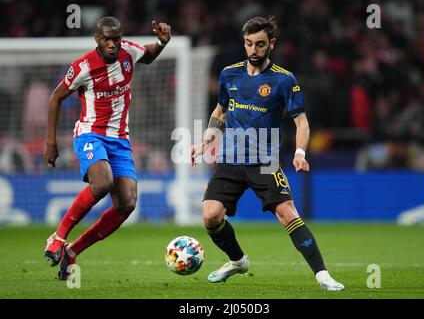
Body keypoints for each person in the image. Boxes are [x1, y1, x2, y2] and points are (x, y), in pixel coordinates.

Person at [191, 16, 344, 291]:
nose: (253, 50)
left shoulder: (284, 80)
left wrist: (299, 152)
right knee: (211, 216)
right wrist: (206, 141)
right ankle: (237, 261)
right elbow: (220, 111)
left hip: (264, 161)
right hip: (230, 159)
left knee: (287, 213)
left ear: (271, 44)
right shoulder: (229, 74)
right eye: (249, 44)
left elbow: (302, 122)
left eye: (260, 44)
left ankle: (323, 276)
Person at [43, 16, 171, 280]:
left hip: (120, 139)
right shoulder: (83, 66)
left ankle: (73, 250)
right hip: (91, 134)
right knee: (102, 183)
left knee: (127, 202)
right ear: (97, 40)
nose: (112, 44)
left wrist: (162, 42)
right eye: (106, 39)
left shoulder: (128, 53)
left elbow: (147, 55)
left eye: (116, 39)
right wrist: (51, 141)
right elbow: (56, 97)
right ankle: (57, 237)